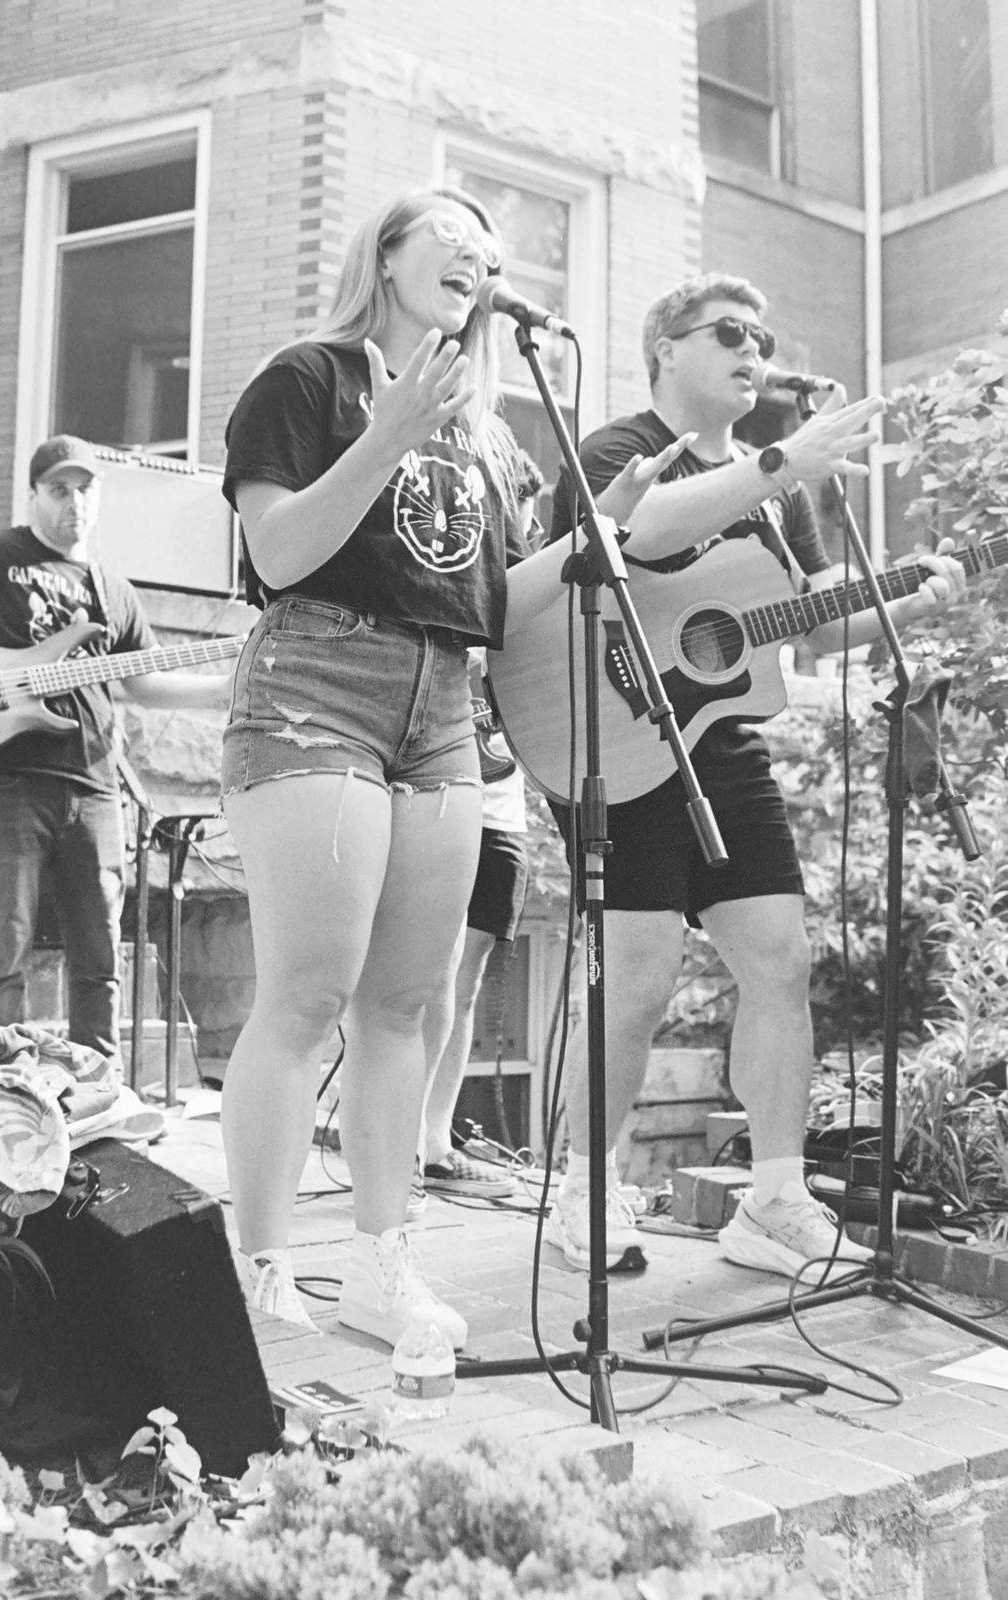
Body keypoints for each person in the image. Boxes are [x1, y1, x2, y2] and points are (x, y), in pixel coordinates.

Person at [539, 272, 965, 1278]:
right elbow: (633, 533)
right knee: (637, 979)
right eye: (729, 332)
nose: (752, 352)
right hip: (617, 738)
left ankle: (772, 1200)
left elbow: (809, 621)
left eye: (761, 338)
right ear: (666, 349)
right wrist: (780, 463)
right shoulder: (617, 448)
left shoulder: (782, 488)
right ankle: (583, 1188)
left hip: (722, 740)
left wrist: (909, 598)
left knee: (779, 961)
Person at [220, 187, 558, 1346]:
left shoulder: (491, 433)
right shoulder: (307, 379)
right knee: (308, 991)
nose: (478, 257)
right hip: (318, 680)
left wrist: (607, 530)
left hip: (444, 703)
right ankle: (262, 1266)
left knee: (405, 1001)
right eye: (452, 236)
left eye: (490, 252)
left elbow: (495, 602)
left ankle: (380, 1262)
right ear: (387, 252)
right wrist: (389, 434)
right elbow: (277, 551)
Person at [0, 434, 234, 1067]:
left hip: (96, 784)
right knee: (2, 951)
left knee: (100, 956)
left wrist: (222, 689)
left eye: (85, 489)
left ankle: (97, 1083)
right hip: (9, 780)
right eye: (59, 490)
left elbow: (141, 682)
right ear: (33, 494)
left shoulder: (113, 590)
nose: (73, 502)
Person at [411, 451, 545, 1209]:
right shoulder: (457, 572)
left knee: (464, 985)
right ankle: (394, 1138)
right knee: (428, 975)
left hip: (504, 803)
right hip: (441, 790)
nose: (527, 527)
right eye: (517, 510)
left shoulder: (535, 587)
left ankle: (434, 1143)